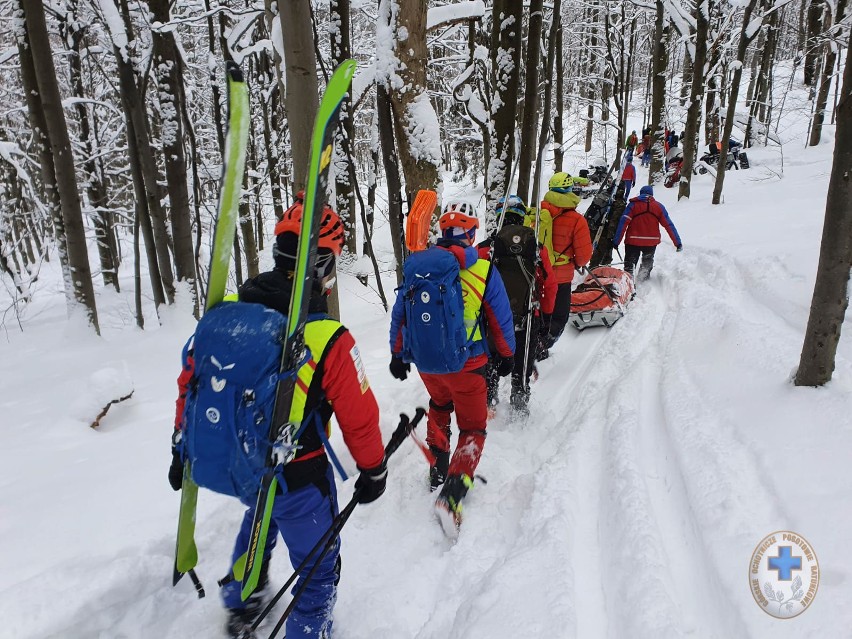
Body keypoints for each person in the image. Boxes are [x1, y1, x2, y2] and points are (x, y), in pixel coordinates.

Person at [169, 199, 387, 639]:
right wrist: (373, 468)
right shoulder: (327, 334)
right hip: (300, 475)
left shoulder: (228, 311)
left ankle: (240, 602)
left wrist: (180, 446)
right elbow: (358, 414)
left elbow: (191, 383)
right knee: (317, 569)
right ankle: (308, 629)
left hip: (244, 462)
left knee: (260, 517)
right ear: (323, 262)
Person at [388, 202, 515, 533]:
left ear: (442, 234)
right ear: (471, 233)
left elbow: (400, 314)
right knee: (473, 429)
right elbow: (500, 320)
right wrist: (507, 355)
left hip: (428, 365)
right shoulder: (484, 268)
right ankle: (452, 495)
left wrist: (396, 354)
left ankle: (437, 471)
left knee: (439, 406)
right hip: (469, 365)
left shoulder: (419, 268)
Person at [480, 196, 557, 416]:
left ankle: (488, 403)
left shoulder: (487, 248)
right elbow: (549, 285)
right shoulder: (535, 248)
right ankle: (520, 407)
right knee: (522, 365)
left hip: (492, 319)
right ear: (523, 216)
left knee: (491, 361)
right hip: (527, 317)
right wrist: (547, 316)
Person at [537, 173, 593, 351]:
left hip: (538, 273)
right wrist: (575, 261)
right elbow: (584, 256)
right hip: (560, 278)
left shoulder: (539, 212)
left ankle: (532, 343)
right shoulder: (577, 220)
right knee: (558, 317)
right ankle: (542, 347)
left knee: (539, 313)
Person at [613, 185, 682, 282]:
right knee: (647, 260)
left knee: (630, 263)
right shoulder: (659, 207)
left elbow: (623, 223)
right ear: (651, 195)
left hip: (633, 240)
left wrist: (616, 241)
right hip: (651, 242)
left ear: (641, 194)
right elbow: (669, 225)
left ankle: (628, 281)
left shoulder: (633, 206)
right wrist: (677, 243)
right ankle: (643, 279)